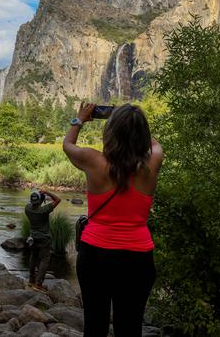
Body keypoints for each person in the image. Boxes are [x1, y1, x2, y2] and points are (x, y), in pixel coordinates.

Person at [63, 103, 163, 337]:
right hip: (138, 258)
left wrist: (79, 119)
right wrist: (133, 120)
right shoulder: (152, 162)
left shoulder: (92, 160)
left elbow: (67, 145)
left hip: (95, 255)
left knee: (95, 326)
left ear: (110, 131)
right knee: (130, 328)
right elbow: (154, 143)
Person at [24, 189, 61, 292]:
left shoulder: (27, 208)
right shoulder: (44, 210)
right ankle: (38, 284)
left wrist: (37, 197)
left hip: (33, 237)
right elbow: (58, 199)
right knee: (45, 260)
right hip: (44, 239)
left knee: (33, 257)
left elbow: (33, 203)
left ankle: (31, 280)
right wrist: (47, 192)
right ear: (41, 201)